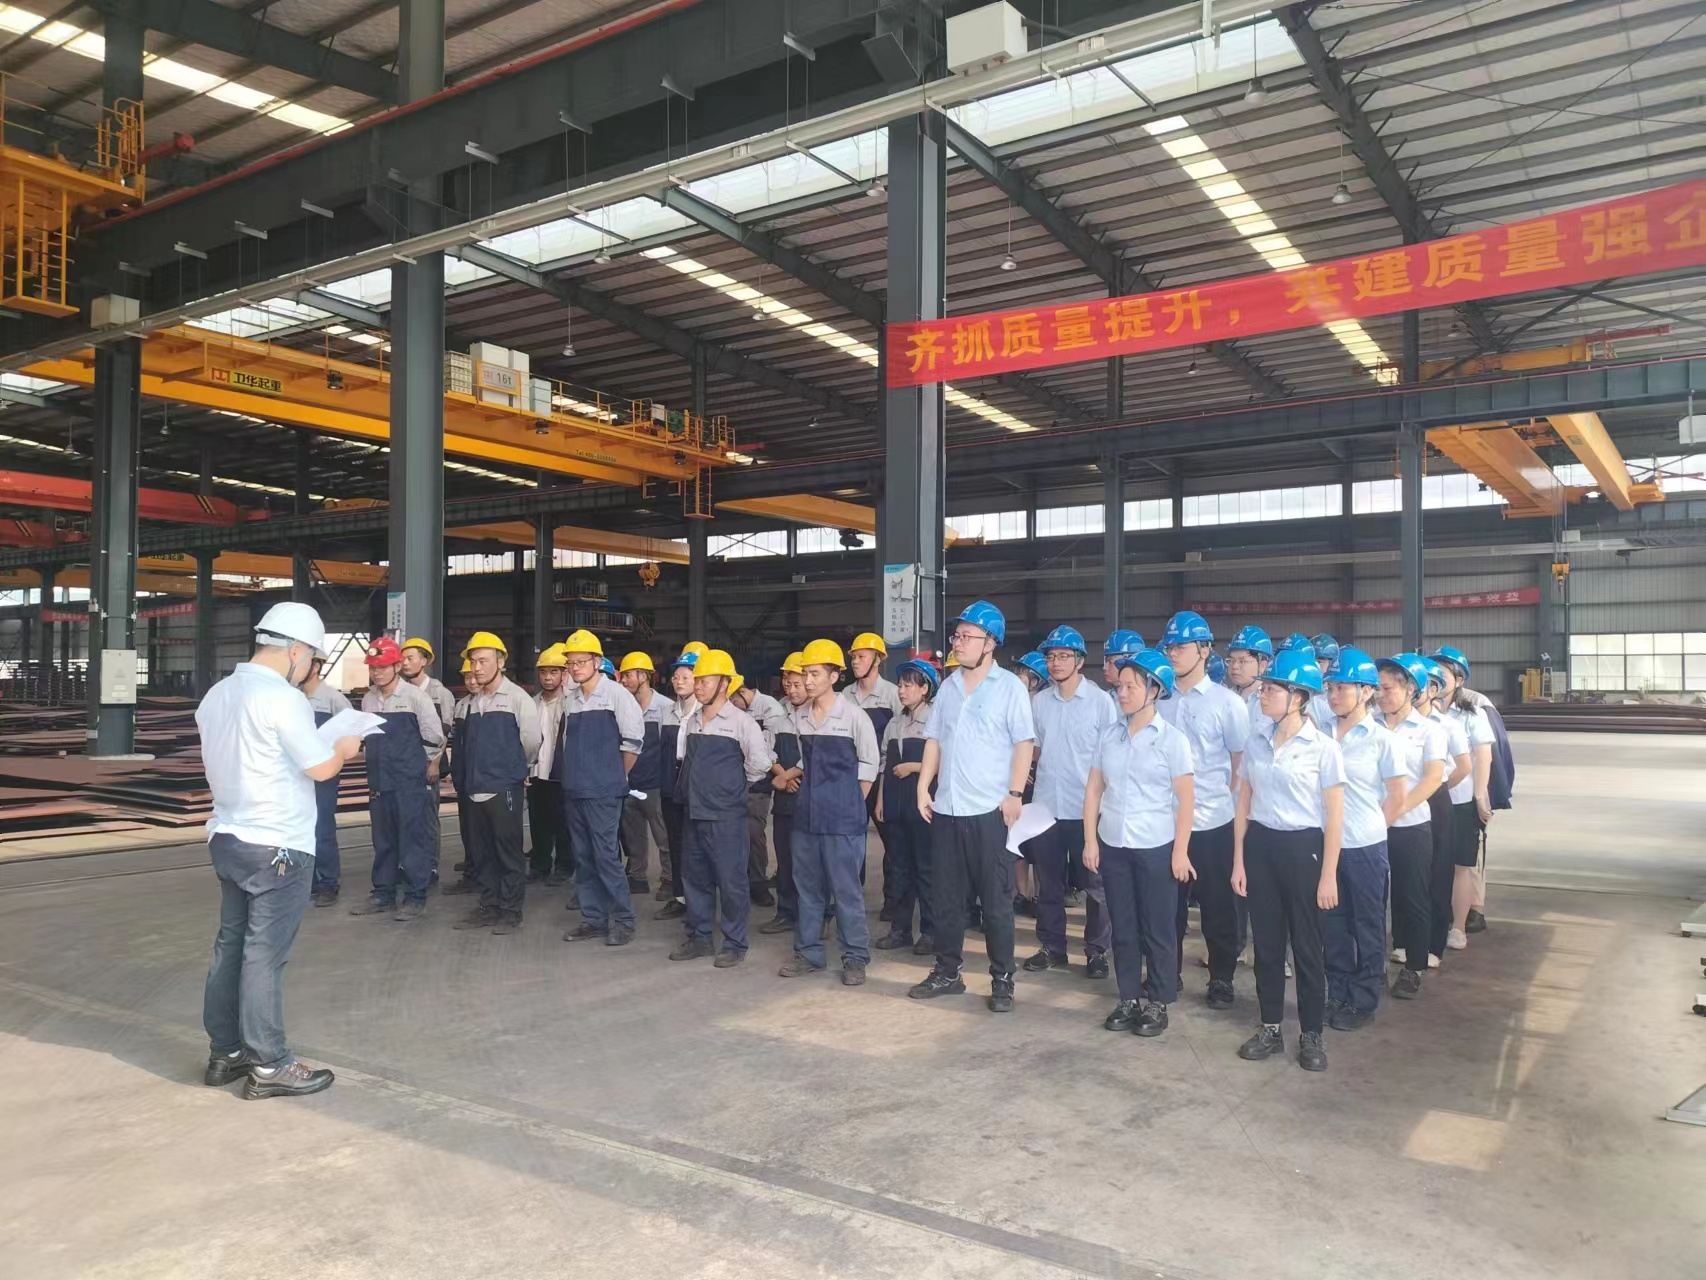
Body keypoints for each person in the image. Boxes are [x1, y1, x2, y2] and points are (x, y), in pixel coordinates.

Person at [198, 602, 361, 1098]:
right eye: (311, 659)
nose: (309, 669)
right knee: (263, 956)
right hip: (278, 846)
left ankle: (226, 1052)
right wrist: (345, 747)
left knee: (231, 946)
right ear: (295, 651)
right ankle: (269, 1064)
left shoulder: (217, 694)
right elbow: (321, 768)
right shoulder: (283, 699)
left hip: (229, 837)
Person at [909, 601, 1036, 1013]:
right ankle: (948, 972)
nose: (958, 642)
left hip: (989, 812)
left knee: (996, 903)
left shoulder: (1009, 687)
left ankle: (1002, 979)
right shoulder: (947, 688)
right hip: (948, 810)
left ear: (990, 643)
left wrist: (1014, 794)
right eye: (957, 635)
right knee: (946, 899)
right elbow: (934, 741)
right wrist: (924, 787)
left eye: (967, 636)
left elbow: (1024, 744)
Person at [1231, 648, 1345, 1072]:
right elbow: (1244, 803)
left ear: (1298, 697)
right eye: (1263, 689)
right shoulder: (1256, 741)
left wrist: (1328, 875)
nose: (1263, 695)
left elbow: (1335, 817)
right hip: (1261, 846)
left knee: (1307, 947)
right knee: (1266, 945)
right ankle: (1271, 1027)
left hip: (1305, 849)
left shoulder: (1323, 748)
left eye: (1272, 690)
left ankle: (1311, 1033)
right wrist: (1239, 860)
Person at [1082, 648, 1194, 1039]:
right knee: (1124, 927)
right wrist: (1090, 840)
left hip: (1156, 846)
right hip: (1113, 843)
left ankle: (1157, 1002)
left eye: (1132, 686)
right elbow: (1094, 790)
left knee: (1158, 928)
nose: (1123, 693)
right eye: (1121, 686)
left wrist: (1180, 851)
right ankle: (1128, 997)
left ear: (1154, 690)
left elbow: (1186, 801)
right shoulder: (1109, 736)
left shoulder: (1172, 741)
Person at [1158, 610, 1250, 1009]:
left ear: (1204, 650)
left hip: (1212, 822)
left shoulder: (1226, 703)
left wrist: (1224, 801)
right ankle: (1167, 973)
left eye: (1181, 646)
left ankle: (1221, 978)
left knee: (1218, 907)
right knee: (1167, 907)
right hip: (1164, 821)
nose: (1173, 653)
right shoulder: (1158, 699)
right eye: (1170, 647)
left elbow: (1239, 762)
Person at [778, 640, 881, 985]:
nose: (807, 681)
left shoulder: (853, 717)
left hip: (842, 820)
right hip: (807, 817)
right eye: (805, 674)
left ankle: (855, 958)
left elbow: (869, 764)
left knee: (846, 891)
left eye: (815, 674)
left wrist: (851, 801)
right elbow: (805, 761)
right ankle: (808, 953)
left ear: (834, 676)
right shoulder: (802, 716)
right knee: (807, 889)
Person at [1023, 624, 1118, 979]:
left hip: (1086, 809)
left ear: (1080, 661)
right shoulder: (1040, 703)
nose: (1056, 662)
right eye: (1051, 656)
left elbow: (1111, 754)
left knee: (1096, 885)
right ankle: (1052, 947)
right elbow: (1033, 749)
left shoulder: (1100, 703)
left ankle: (1097, 952)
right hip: (1047, 806)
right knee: (1048, 883)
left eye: (1064, 656)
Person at [670, 649, 775, 966]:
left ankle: (735, 943)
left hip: (727, 817)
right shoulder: (692, 722)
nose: (699, 686)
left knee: (731, 881)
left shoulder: (742, 723)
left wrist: (731, 787)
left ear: (725, 684)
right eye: (697, 680)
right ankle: (699, 937)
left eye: (706, 680)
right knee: (695, 879)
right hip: (694, 813)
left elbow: (759, 764)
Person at [1322, 646, 1405, 1032]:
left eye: (1343, 687)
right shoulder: (1320, 733)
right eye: (1331, 687)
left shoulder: (1381, 740)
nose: (1334, 694)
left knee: (1367, 924)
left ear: (1367, 691)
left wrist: (1370, 829)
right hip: (1325, 846)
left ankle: (1364, 998)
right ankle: (1337, 990)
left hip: (1365, 848)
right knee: (1332, 925)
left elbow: (1397, 796)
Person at [447, 632, 540, 935]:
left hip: (503, 788)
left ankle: (511, 911)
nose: (477, 667)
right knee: (483, 852)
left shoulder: (517, 699)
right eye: (473, 661)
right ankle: (489, 906)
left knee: (508, 852)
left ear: (501, 662)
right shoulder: (473, 703)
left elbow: (531, 742)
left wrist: (513, 768)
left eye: (483, 661)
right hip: (475, 788)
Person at [349, 637, 445, 922]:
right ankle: (383, 892)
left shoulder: (416, 698)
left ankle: (416, 896)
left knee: (413, 839)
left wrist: (420, 765)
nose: (377, 673)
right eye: (373, 668)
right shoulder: (369, 700)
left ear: (397, 666)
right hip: (379, 781)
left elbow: (435, 737)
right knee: (383, 840)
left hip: (409, 783)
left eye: (382, 667)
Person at [558, 630, 644, 946]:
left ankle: (623, 920)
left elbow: (633, 742)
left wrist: (616, 775)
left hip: (604, 791)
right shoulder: (571, 700)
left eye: (581, 662)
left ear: (597, 661)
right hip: (576, 790)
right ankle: (593, 919)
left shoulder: (616, 695)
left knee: (606, 856)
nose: (575, 668)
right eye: (571, 663)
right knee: (583, 858)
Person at [1375, 653, 1448, 1001]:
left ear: (1410, 690)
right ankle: (1371, 964)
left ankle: (1414, 967)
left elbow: (1432, 778)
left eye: (1388, 688)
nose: (1380, 695)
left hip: (1410, 827)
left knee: (1413, 897)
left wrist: (1395, 810)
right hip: (1370, 828)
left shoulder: (1430, 730)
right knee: (1371, 899)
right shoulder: (1369, 726)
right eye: (1377, 688)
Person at [1430, 647, 1494, 952]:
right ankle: (1433, 922)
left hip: (1460, 801)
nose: (1437, 679)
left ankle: (1458, 927)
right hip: (1425, 802)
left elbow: (1483, 757)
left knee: (1461, 866)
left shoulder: (1472, 713)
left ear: (1459, 680)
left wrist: (1480, 795)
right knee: (1430, 865)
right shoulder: (1420, 712)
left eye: (1444, 673)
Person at [873, 657, 938, 955]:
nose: (901, 690)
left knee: (926, 868)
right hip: (896, 804)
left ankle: (930, 932)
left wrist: (914, 767)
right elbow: (884, 763)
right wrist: (881, 800)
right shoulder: (894, 723)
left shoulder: (935, 720)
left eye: (909, 685)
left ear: (925, 689)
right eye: (900, 685)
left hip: (923, 805)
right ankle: (900, 930)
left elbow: (945, 761)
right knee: (899, 868)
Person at [1419, 658, 1472, 969]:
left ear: (1433, 689)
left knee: (1438, 874)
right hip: (1404, 805)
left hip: (1436, 802)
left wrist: (1437, 788)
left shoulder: (1447, 725)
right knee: (1408, 876)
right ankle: (1404, 941)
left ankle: (1434, 944)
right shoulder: (1387, 723)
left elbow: (1464, 766)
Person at [730, 672, 788, 908]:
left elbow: (767, 749)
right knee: (736, 834)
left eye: (733, 700)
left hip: (760, 783)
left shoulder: (769, 708)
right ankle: (740, 882)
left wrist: (782, 774)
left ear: (743, 692)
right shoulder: (736, 710)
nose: (732, 705)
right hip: (736, 781)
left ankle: (757, 883)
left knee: (754, 833)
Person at [618, 651, 673, 897]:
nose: (623, 680)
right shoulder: (623, 705)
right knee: (633, 835)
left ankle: (669, 879)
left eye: (628, 675)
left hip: (654, 784)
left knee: (664, 836)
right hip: (629, 782)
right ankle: (638, 877)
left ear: (644, 676)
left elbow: (669, 748)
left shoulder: (665, 707)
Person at [760, 652, 808, 936]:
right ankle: (786, 912)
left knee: (810, 861)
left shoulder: (820, 716)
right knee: (786, 859)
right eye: (787, 684)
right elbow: (766, 751)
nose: (791, 690)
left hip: (810, 797)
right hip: (785, 799)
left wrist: (789, 775)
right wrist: (781, 776)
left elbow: (816, 755)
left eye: (797, 684)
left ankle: (815, 915)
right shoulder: (778, 717)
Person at [401, 637, 456, 877]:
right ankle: (406, 864)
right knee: (405, 818)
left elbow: (443, 733)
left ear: (424, 661)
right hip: (405, 764)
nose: (405, 663)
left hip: (427, 766)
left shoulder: (439, 693)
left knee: (427, 818)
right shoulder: (401, 691)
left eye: (410, 658)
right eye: (402, 658)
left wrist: (434, 764)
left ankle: (430, 865)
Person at [302, 655, 351, 908]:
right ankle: (306, 883)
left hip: (324, 775)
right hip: (297, 775)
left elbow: (352, 733)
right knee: (300, 829)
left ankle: (328, 883)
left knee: (322, 828)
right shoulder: (292, 697)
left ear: (316, 666)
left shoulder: (333, 699)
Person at [528, 644, 571, 885]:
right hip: (536, 773)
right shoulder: (532, 704)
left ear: (564, 674)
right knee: (538, 822)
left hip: (561, 774)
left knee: (563, 823)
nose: (547, 677)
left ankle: (564, 866)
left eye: (554, 672)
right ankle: (540, 865)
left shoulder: (571, 704)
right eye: (544, 672)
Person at [1225, 625, 1274, 722]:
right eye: (1231, 660)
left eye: (1242, 661)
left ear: (1262, 665)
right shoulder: (1225, 696)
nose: (1234, 666)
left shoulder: (1272, 701)